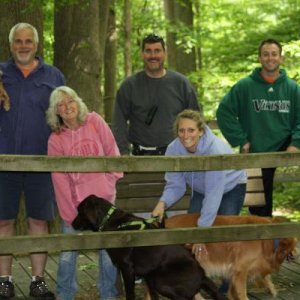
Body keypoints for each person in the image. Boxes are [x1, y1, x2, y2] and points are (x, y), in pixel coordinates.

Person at [0, 23, 65, 299]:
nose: (23, 46)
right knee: (3, 222)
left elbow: (66, 115)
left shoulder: (53, 75)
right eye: (18, 41)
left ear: (36, 45)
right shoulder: (1, 73)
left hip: (41, 162)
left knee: (39, 220)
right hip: (4, 162)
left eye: (28, 41)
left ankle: (38, 280)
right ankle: (4, 280)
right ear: (11, 44)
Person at [46, 86, 123, 300]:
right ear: (56, 112)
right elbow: (59, 180)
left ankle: (108, 294)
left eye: (70, 101)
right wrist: (70, 212)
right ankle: (65, 294)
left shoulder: (95, 121)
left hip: (104, 202)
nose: (67, 107)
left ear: (77, 102)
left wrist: (110, 181)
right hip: (76, 206)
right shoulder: (56, 139)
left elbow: (112, 151)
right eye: (60, 105)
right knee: (67, 255)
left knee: (107, 252)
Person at [216, 38, 300, 217]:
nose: (270, 58)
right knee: (258, 204)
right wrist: (241, 139)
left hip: (284, 145)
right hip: (256, 149)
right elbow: (224, 112)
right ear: (260, 58)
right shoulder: (245, 86)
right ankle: (262, 239)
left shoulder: (293, 88)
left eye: (274, 54)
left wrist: (296, 142)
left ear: (281, 58)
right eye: (266, 54)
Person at [152, 109, 247, 227]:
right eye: (181, 130)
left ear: (200, 131)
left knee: (223, 229)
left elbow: (213, 192)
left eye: (191, 130)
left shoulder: (214, 151)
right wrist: (163, 203)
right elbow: (176, 185)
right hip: (201, 188)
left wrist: (201, 233)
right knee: (191, 226)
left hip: (232, 185)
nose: (186, 135)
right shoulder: (173, 149)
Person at [112, 33, 201, 156]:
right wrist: (123, 152)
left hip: (177, 156)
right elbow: (119, 122)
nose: (153, 55)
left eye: (157, 51)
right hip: (140, 158)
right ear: (142, 54)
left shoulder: (181, 84)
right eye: (148, 51)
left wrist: (195, 150)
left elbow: (196, 119)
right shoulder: (129, 86)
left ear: (164, 53)